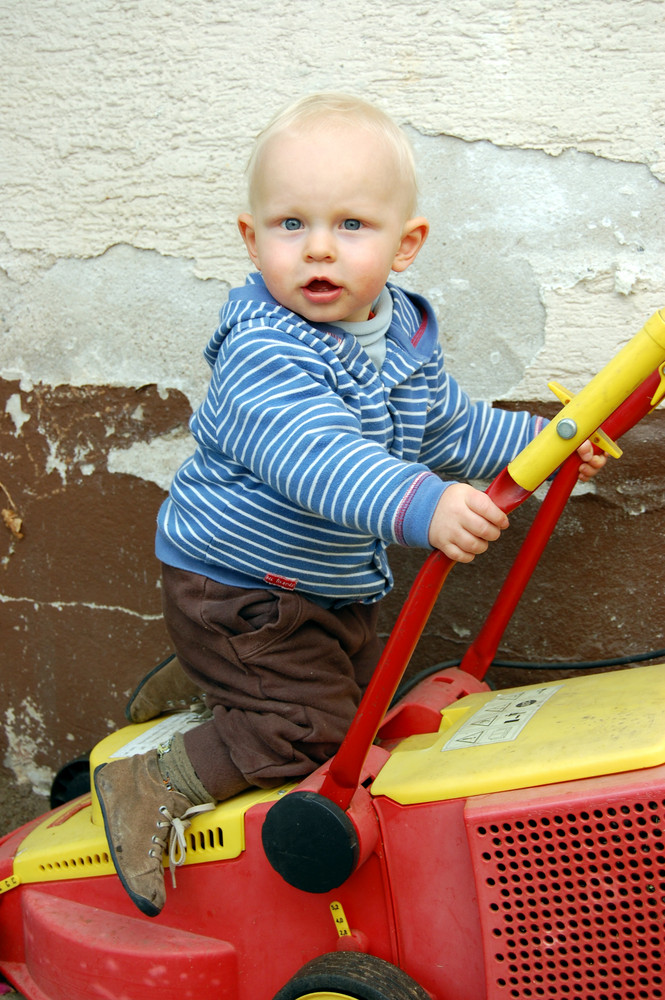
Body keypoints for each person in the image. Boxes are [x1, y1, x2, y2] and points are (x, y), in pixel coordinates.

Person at [94, 92, 606, 917]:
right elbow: (317, 458)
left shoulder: (400, 330)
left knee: (365, 716)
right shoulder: (265, 352)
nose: (319, 249)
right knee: (315, 733)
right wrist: (425, 504)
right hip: (238, 588)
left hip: (322, 585)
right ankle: (155, 776)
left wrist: (535, 449)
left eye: (351, 227)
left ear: (406, 246)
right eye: (290, 225)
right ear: (250, 238)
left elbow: (446, 422)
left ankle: (224, 686)